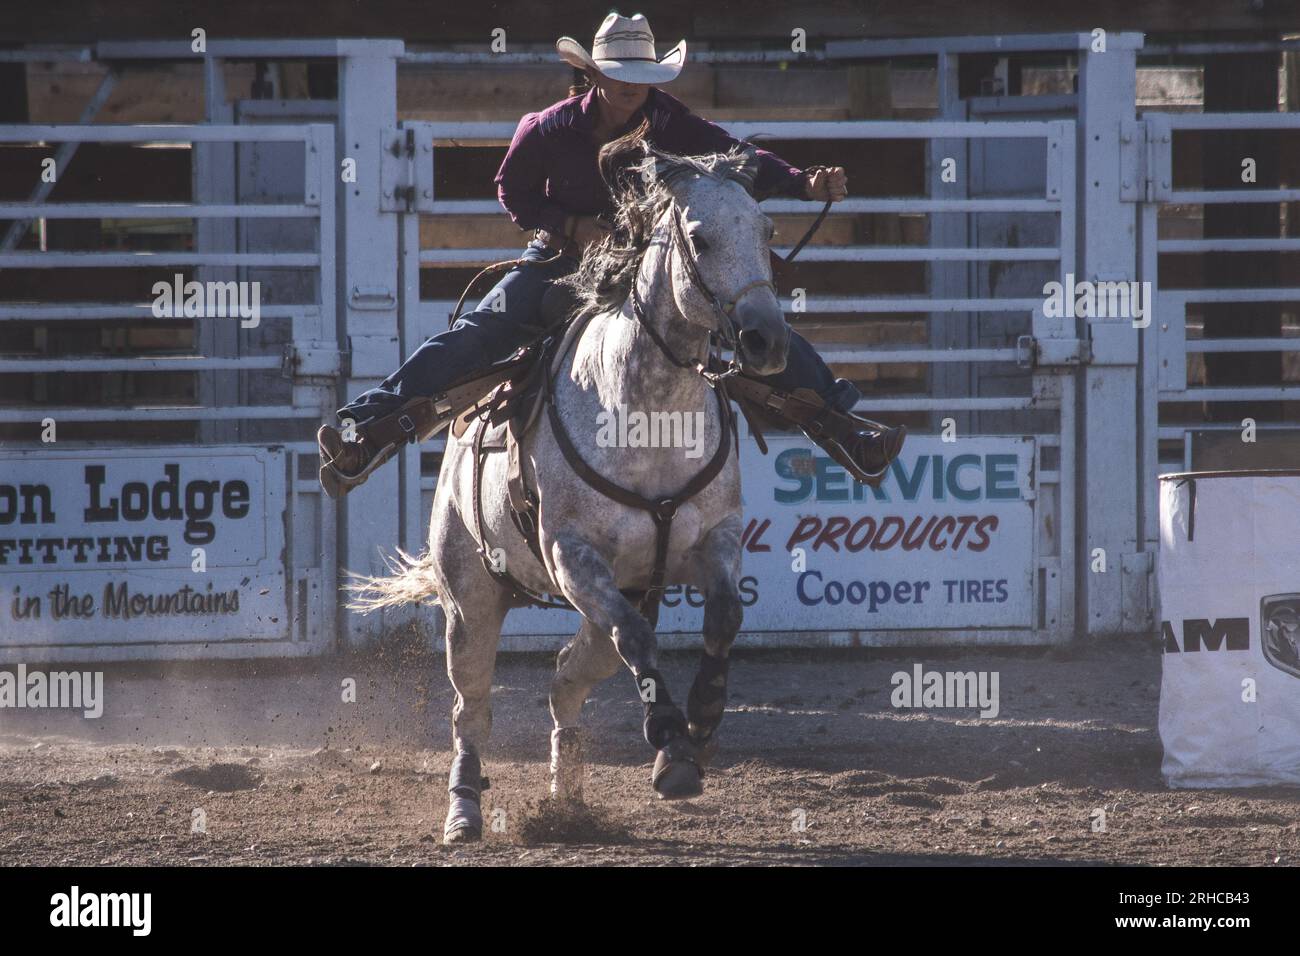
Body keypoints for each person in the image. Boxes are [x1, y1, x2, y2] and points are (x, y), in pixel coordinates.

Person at [318, 11, 905, 498]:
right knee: (480, 332)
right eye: (621, 73)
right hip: (558, 263)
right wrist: (571, 225)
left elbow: (736, 158)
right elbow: (513, 193)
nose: (633, 85)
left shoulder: (670, 121)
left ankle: (847, 431)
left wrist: (804, 183)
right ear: (595, 74)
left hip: (645, 269)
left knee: (752, 320)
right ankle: (365, 431)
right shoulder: (547, 128)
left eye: (642, 75)